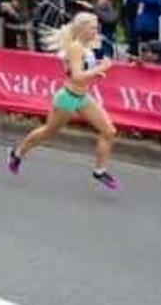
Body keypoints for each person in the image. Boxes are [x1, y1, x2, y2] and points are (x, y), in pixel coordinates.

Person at [7, 12, 119, 189]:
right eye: (93, 27)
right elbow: (76, 76)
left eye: (96, 27)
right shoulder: (75, 47)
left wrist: (98, 73)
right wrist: (100, 68)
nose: (96, 30)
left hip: (83, 97)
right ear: (82, 29)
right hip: (68, 97)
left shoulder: (87, 45)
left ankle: (100, 171)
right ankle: (17, 152)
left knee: (109, 131)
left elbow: (81, 72)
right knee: (48, 131)